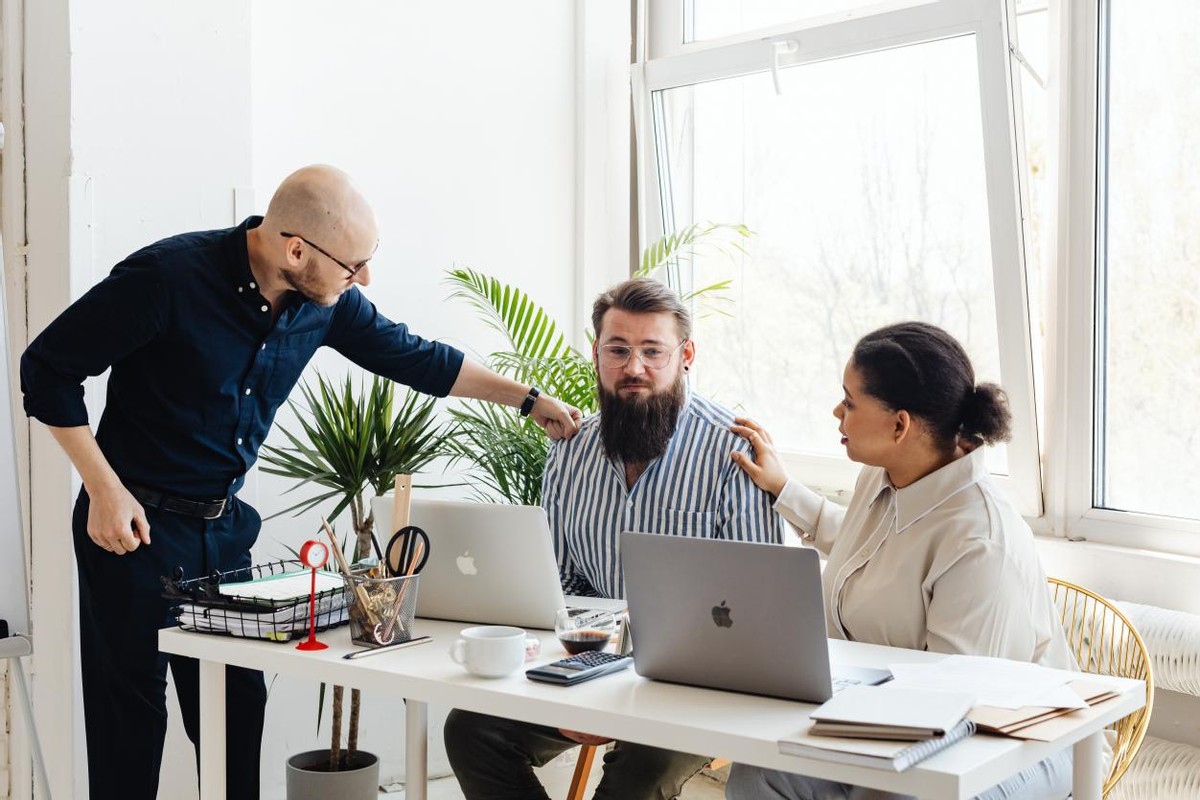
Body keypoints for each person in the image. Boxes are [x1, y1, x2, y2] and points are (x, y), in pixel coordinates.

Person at [19, 165, 581, 800]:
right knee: (132, 723)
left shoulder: (324, 303)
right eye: (354, 265)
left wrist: (528, 399)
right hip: (131, 528)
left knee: (236, 709)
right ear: (295, 249)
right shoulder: (166, 278)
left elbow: (415, 355)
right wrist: (102, 487)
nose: (362, 279)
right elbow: (46, 370)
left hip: (224, 533)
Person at [443, 278, 786, 800]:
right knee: (471, 730)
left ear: (686, 355)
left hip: (694, 688)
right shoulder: (569, 450)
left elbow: (757, 613)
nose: (634, 368)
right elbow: (557, 589)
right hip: (595, 668)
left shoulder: (733, 452)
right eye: (619, 350)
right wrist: (582, 686)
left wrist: (630, 701)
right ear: (597, 352)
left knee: (634, 778)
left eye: (653, 351)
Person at [723, 321, 1075, 800]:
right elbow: (864, 547)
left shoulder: (979, 542)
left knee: (886, 795)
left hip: (1015, 740)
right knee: (757, 772)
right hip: (888, 718)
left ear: (900, 424)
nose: (836, 412)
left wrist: (841, 720)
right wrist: (784, 489)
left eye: (849, 402)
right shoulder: (886, 475)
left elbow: (957, 702)